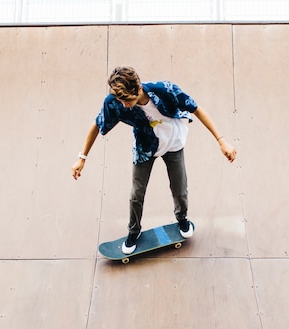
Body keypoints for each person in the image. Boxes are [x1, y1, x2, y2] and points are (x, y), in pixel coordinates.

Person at [71, 66, 237, 255]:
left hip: (173, 144)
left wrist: (221, 141)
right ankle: (133, 232)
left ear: (138, 88)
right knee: (136, 193)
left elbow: (197, 110)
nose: (124, 105)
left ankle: (182, 219)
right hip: (145, 148)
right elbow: (96, 124)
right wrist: (82, 158)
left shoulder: (165, 89)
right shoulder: (115, 102)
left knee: (179, 188)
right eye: (121, 100)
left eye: (128, 100)